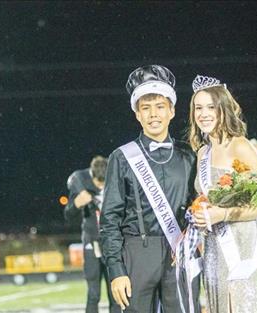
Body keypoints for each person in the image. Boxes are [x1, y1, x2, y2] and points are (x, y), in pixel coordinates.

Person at [99, 65, 199, 313]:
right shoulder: (121, 157)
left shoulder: (189, 155)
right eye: (146, 108)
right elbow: (110, 218)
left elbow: (197, 203)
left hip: (180, 251)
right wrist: (115, 270)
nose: (153, 114)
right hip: (137, 252)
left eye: (160, 107)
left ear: (172, 111)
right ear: (137, 115)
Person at [188, 75, 257, 313]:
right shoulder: (202, 153)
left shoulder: (240, 146)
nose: (203, 114)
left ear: (223, 109)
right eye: (198, 108)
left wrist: (223, 214)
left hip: (243, 247)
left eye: (210, 107)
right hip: (214, 248)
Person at [64, 156, 110, 313]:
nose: (101, 187)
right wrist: (77, 203)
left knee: (116, 295)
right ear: (92, 176)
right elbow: (68, 215)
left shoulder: (115, 181)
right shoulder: (80, 180)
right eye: (99, 183)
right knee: (93, 294)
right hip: (92, 242)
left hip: (113, 243)